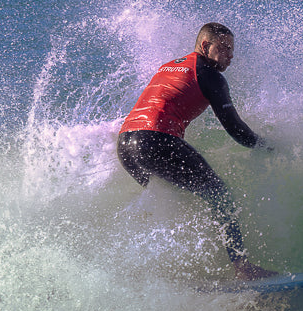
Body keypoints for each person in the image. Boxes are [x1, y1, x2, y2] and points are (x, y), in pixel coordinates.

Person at [117, 22, 278, 280]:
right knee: (220, 194)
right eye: (223, 48)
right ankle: (243, 268)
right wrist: (269, 146)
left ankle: (157, 272)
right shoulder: (210, 75)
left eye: (232, 49)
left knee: (169, 199)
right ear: (205, 45)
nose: (230, 55)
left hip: (126, 145)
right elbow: (237, 131)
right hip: (154, 140)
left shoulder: (169, 66)